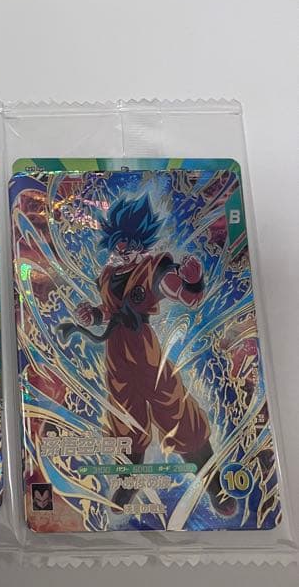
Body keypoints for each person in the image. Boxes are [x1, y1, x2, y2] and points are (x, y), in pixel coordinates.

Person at [61, 194, 234, 517]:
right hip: (116, 356)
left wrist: (192, 281)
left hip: (145, 351)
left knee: (176, 413)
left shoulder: (154, 268)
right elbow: (108, 311)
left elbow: (182, 293)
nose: (121, 247)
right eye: (118, 241)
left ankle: (215, 485)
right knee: (126, 421)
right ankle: (130, 481)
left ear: (140, 239)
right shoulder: (107, 274)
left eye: (128, 241)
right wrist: (92, 315)